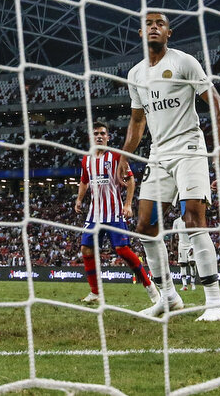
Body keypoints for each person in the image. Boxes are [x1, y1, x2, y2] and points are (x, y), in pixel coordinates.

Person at [121, 10, 220, 322]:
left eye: (160, 24)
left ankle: (213, 303)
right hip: (158, 153)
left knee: (193, 217)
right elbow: (137, 122)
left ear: (169, 33)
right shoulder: (135, 74)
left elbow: (216, 102)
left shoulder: (184, 62)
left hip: (189, 148)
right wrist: (124, 156)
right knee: (145, 226)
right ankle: (168, 297)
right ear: (141, 34)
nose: (154, 28)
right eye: (148, 25)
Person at [74, 123, 152, 305]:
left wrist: (127, 204)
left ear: (108, 137)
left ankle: (150, 287)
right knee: (86, 249)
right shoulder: (87, 160)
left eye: (102, 133)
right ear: (91, 138)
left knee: (122, 250)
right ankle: (95, 292)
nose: (99, 136)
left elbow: (131, 179)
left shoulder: (116, 156)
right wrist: (79, 199)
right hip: (94, 214)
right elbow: (84, 181)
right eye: (96, 134)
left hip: (114, 212)